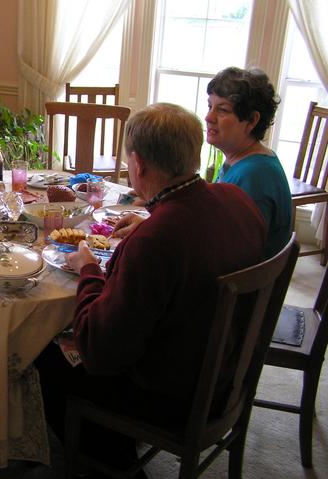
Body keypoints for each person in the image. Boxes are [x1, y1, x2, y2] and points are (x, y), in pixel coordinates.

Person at [35, 103, 266, 475]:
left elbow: (99, 351)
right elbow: (193, 234)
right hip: (225, 371)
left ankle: (107, 460)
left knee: (43, 352)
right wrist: (151, 222)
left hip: (173, 397)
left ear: (138, 165)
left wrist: (90, 268)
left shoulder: (157, 240)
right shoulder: (237, 200)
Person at [206, 66, 292, 259]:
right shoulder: (244, 161)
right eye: (209, 106)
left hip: (236, 287)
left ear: (252, 120)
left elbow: (231, 256)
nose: (209, 117)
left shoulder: (253, 177)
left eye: (222, 110)